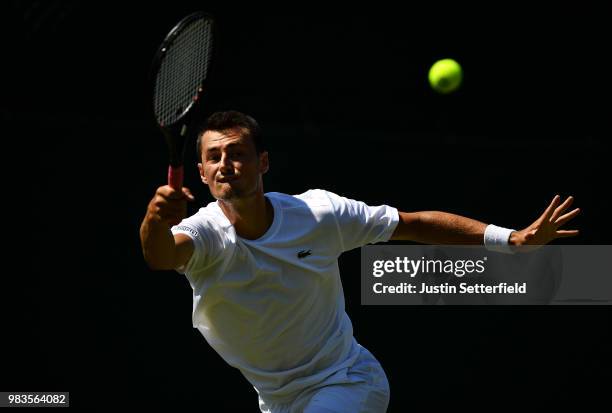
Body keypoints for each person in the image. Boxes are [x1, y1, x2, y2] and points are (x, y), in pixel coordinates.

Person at [139, 110, 580, 412]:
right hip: (276, 401)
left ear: (263, 163)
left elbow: (413, 224)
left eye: (237, 153)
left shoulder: (319, 214)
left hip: (346, 381)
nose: (226, 164)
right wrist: (155, 220)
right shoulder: (204, 232)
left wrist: (511, 239)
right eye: (214, 157)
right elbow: (162, 256)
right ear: (200, 172)